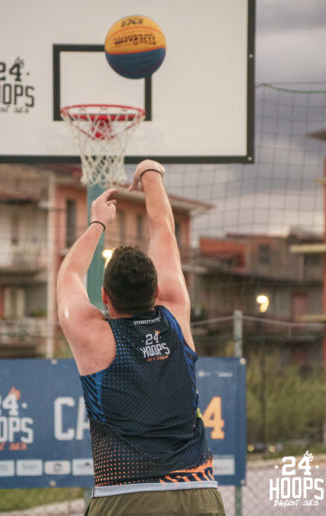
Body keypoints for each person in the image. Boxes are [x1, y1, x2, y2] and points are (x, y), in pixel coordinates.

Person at [57, 160, 226, 516]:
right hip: (198, 493)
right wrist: (150, 174)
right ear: (157, 291)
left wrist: (98, 223)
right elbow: (164, 231)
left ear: (104, 296)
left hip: (124, 495)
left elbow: (69, 274)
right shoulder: (175, 315)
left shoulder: (93, 335)